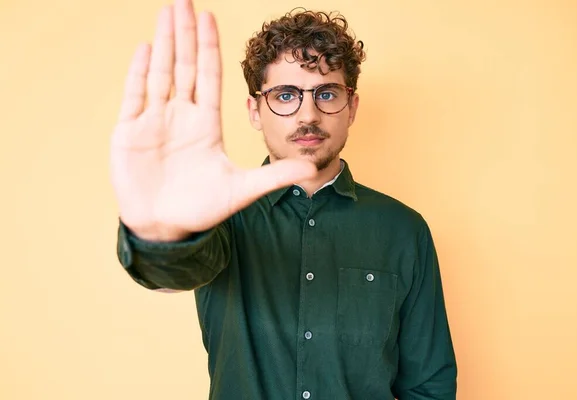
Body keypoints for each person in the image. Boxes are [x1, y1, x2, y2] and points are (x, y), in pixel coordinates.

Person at [110, 0, 458, 398]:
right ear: (256, 111)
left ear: (352, 107)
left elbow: (428, 385)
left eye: (326, 94)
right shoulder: (219, 217)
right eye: (286, 95)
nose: (308, 114)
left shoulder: (403, 230)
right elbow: (170, 275)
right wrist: (161, 235)